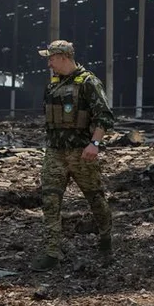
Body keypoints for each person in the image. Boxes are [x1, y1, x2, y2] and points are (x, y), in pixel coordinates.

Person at [32, 40, 115, 271]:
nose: (49, 63)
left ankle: (106, 239)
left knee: (95, 199)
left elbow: (105, 117)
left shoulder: (88, 82)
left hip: (81, 153)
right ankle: (52, 252)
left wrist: (94, 143)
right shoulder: (52, 86)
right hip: (55, 152)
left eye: (51, 58)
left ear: (63, 57)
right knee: (50, 200)